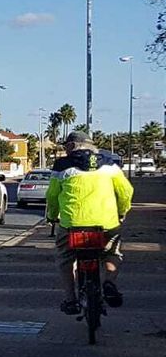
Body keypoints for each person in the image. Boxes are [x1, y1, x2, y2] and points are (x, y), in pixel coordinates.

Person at [46, 132, 133, 314]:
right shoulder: (110, 163)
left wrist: (52, 216)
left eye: (66, 146)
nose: (65, 149)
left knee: (65, 258)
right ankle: (109, 282)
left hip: (71, 225)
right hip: (106, 224)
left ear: (72, 146)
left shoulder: (62, 166)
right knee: (111, 253)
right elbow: (125, 191)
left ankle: (70, 300)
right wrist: (121, 212)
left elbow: (52, 196)